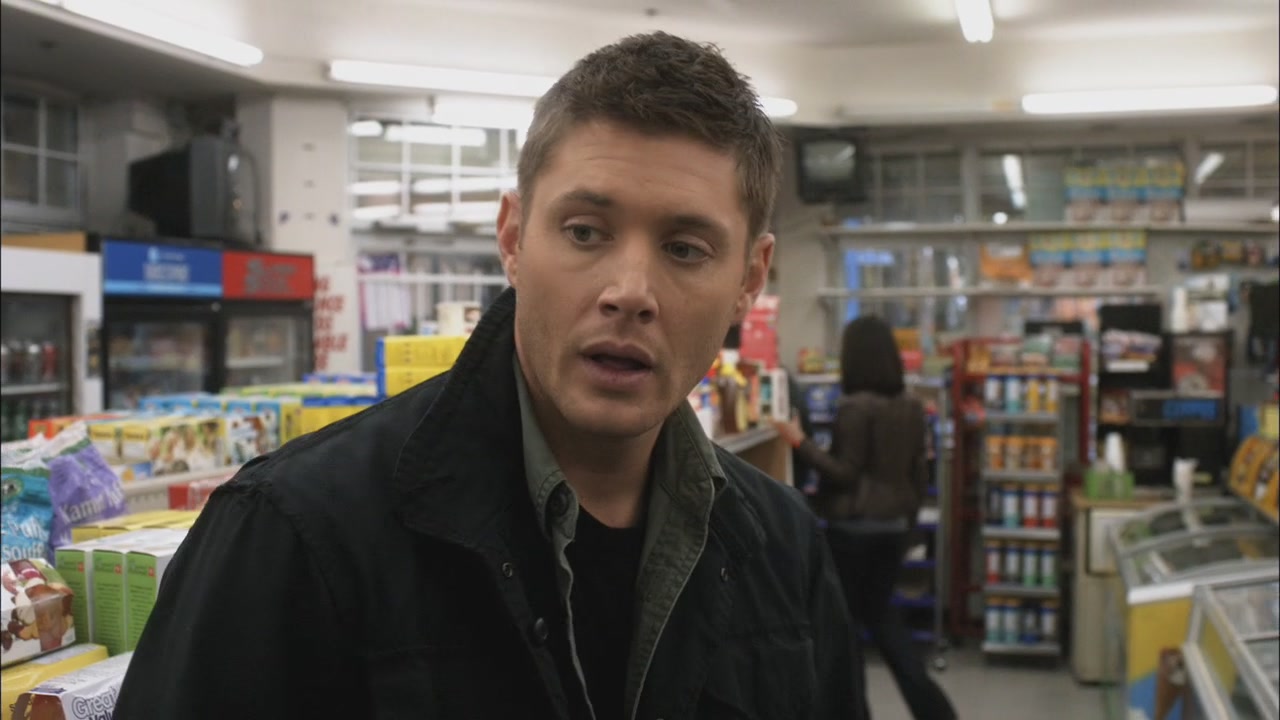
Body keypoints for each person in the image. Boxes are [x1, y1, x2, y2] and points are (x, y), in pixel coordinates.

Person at [113, 32, 862, 720]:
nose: (630, 292)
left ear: (749, 278)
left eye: (686, 249)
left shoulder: (782, 546)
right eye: (585, 232)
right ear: (513, 238)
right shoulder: (293, 534)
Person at [774, 316, 957, 720]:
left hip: (852, 530)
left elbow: (845, 473)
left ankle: (855, 712)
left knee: (845, 630)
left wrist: (799, 442)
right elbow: (919, 475)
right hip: (894, 528)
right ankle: (935, 711)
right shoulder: (912, 406)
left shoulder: (853, 407)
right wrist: (907, 524)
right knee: (883, 620)